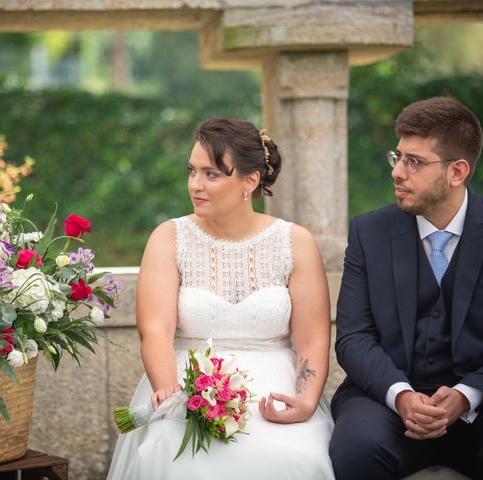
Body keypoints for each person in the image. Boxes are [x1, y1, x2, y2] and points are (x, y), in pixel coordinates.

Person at [108, 118, 335, 479]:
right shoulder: (168, 238)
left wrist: (306, 402)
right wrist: (170, 393)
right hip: (186, 385)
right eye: (192, 171)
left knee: (299, 458)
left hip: (273, 390)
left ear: (250, 181)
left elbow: (312, 338)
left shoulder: (296, 243)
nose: (195, 185)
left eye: (211, 174)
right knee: (173, 456)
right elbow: (155, 331)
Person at [329, 96, 483, 479]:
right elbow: (353, 336)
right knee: (356, 447)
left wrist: (467, 394)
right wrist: (400, 394)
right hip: (385, 401)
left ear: (457, 172)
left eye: (414, 162)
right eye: (398, 156)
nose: (397, 172)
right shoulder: (368, 233)